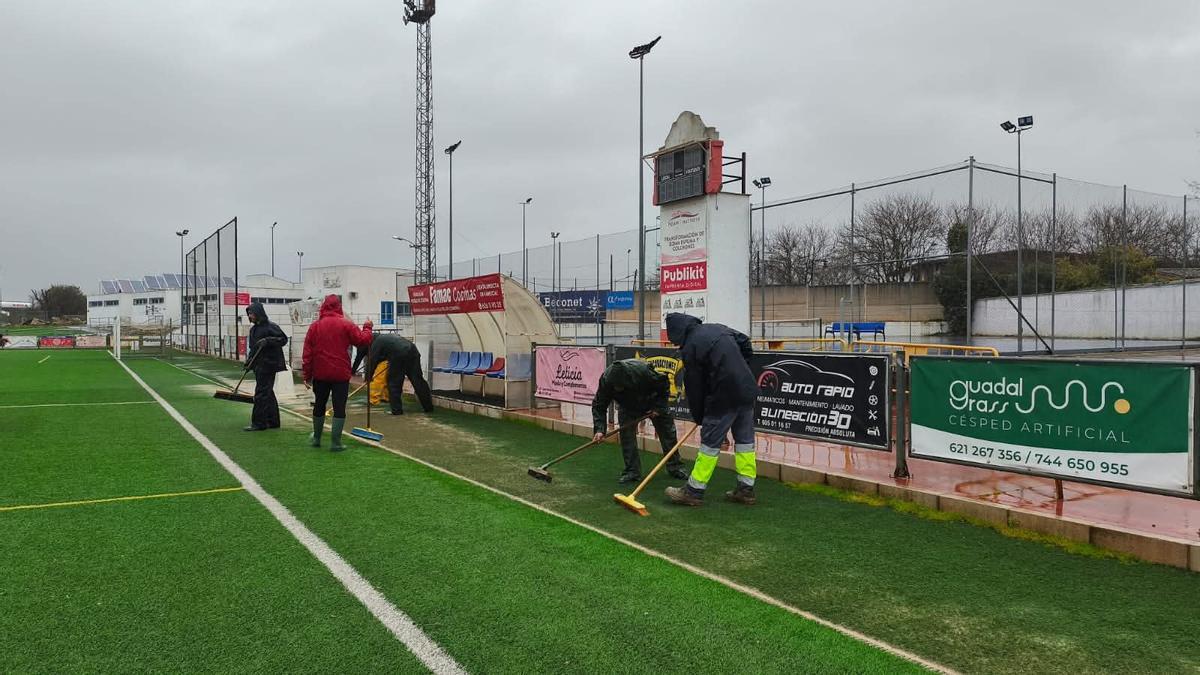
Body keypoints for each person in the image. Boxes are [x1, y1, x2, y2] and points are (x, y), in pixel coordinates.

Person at [662, 313, 759, 506]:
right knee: (745, 442)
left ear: (678, 333)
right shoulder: (718, 328)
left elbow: (695, 387)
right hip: (746, 390)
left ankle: (693, 491)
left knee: (709, 445)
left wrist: (699, 417)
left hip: (723, 396)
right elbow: (745, 342)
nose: (676, 345)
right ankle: (745, 489)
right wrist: (742, 369)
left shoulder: (691, 347)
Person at [591, 359, 689, 484]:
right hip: (628, 406)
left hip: (653, 400)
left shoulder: (642, 371)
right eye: (615, 387)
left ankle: (676, 467)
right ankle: (632, 471)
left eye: (620, 386)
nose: (618, 388)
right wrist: (599, 429)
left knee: (668, 434)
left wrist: (658, 407)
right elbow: (599, 405)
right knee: (627, 437)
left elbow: (663, 384)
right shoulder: (606, 380)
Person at [301, 294, 373, 451]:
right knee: (339, 407)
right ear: (339, 307)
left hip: (320, 373)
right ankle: (336, 442)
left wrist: (307, 375)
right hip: (340, 374)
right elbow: (363, 340)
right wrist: (367, 327)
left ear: (323, 307)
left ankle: (317, 438)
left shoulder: (315, 327)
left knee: (319, 405)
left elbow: (307, 354)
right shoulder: (346, 325)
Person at [244, 301, 289, 432]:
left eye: (252, 313)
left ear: (258, 313)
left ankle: (259, 423)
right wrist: (248, 362)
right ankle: (273, 421)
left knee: (261, 393)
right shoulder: (253, 330)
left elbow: (283, 339)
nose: (250, 316)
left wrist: (268, 341)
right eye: (249, 313)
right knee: (267, 393)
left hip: (269, 364)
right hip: (259, 364)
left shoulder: (271, 327)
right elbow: (253, 348)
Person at [366, 333, 433, 415]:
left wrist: (368, 377)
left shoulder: (376, 343)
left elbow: (372, 361)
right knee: (418, 380)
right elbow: (380, 358)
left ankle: (396, 410)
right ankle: (428, 407)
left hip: (398, 354)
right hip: (412, 350)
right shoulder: (386, 338)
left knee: (393, 382)